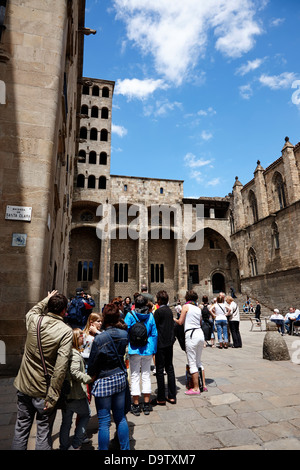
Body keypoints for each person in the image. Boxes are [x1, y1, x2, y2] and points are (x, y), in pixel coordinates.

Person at [12, 291, 73, 450]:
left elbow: (33, 310)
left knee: (21, 428)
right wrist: (53, 395)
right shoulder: (65, 331)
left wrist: (47, 298)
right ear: (64, 311)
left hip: (24, 386)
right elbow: (61, 367)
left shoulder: (34, 320)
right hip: (44, 391)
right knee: (43, 433)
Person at [87, 303, 130, 450]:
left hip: (104, 378)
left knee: (104, 422)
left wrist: (90, 376)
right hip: (120, 377)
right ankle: (125, 449)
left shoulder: (100, 338)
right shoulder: (124, 335)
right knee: (120, 418)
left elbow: (92, 362)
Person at [59, 329, 93, 450]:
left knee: (66, 421)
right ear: (75, 339)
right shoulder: (74, 354)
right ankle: (76, 444)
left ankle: (63, 446)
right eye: (81, 337)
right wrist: (88, 378)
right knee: (86, 414)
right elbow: (74, 372)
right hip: (76, 394)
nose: (83, 339)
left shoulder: (66, 352)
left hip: (66, 394)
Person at [125, 294, 157, 416]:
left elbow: (126, 331)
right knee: (146, 375)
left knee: (134, 376)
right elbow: (154, 334)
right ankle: (147, 405)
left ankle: (136, 405)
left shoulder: (130, 315)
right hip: (147, 349)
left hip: (134, 349)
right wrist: (153, 349)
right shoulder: (150, 316)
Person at [174, 290, 206, 395]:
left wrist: (173, 318)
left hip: (191, 334)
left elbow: (180, 322)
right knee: (199, 361)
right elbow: (200, 322)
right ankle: (203, 386)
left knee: (192, 362)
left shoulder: (186, 307)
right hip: (200, 333)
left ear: (187, 298)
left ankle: (196, 388)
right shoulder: (198, 308)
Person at [152, 290, 176, 405]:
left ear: (160, 300)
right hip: (169, 343)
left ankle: (161, 397)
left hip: (160, 344)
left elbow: (154, 328)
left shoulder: (158, 312)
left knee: (160, 370)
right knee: (170, 368)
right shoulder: (169, 311)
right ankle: (172, 396)